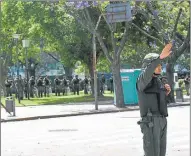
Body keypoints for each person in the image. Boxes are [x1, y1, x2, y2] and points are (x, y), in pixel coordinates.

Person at [136, 43, 172, 156]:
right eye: (157, 65)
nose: (160, 67)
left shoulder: (158, 80)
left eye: (160, 64)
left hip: (161, 120)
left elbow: (160, 100)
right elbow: (148, 73)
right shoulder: (142, 79)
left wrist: (166, 93)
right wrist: (159, 57)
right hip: (151, 121)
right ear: (149, 66)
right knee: (152, 153)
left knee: (161, 153)